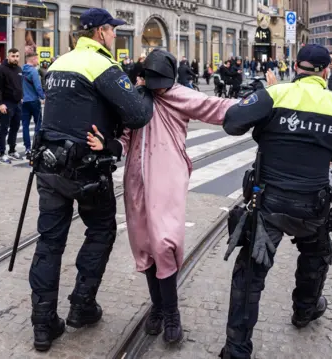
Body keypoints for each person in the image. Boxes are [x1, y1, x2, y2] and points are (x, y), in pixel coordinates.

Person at [218, 44, 332, 359]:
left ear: (296, 66)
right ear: (325, 70)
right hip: (311, 206)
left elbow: (231, 122)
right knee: (316, 256)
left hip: (268, 204)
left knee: (250, 272)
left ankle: (237, 349)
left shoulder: (275, 95)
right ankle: (304, 310)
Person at [88, 49, 236, 345]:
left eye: (162, 82)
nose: (158, 87)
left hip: (166, 177)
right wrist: (107, 145)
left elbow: (217, 107)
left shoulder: (182, 95)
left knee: (164, 242)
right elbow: (125, 138)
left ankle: (171, 313)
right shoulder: (136, 98)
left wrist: (261, 103)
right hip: (136, 180)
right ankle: (158, 306)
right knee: (144, 244)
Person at [26, 8, 153, 352]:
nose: (115, 36)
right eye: (113, 31)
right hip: (87, 170)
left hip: (49, 166)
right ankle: (82, 306)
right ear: (100, 32)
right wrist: (140, 89)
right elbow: (139, 114)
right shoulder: (101, 65)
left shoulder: (58, 64)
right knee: (101, 230)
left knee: (49, 242)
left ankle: (43, 324)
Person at [0, 48, 24, 164]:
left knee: (15, 128)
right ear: (8, 56)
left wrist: (21, 97)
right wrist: (0, 103)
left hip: (17, 103)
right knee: (4, 129)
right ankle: (1, 153)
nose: (15, 58)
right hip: (6, 103)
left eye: (17, 56)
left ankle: (12, 150)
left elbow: (19, 85)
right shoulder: (1, 69)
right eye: (13, 56)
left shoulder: (19, 69)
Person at [21, 52, 46, 157]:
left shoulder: (21, 71)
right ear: (33, 59)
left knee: (25, 126)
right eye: (37, 59)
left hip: (24, 101)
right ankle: (36, 147)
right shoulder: (34, 72)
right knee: (38, 124)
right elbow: (38, 86)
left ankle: (27, 148)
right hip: (34, 101)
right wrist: (43, 97)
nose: (38, 61)